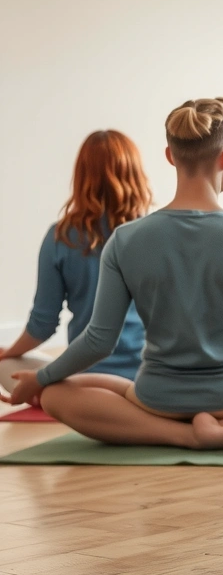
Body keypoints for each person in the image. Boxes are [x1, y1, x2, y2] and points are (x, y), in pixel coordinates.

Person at [2, 98, 223, 449]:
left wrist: (41, 378)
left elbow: (99, 340)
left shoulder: (124, 240)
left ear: (170, 156)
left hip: (155, 397)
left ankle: (178, 434)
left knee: (56, 394)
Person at [0, 131, 149, 394]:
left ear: (81, 176)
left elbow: (42, 325)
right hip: (150, 375)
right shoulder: (156, 233)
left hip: (86, 379)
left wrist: (8, 353)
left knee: (9, 364)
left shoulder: (60, 236)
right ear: (136, 174)